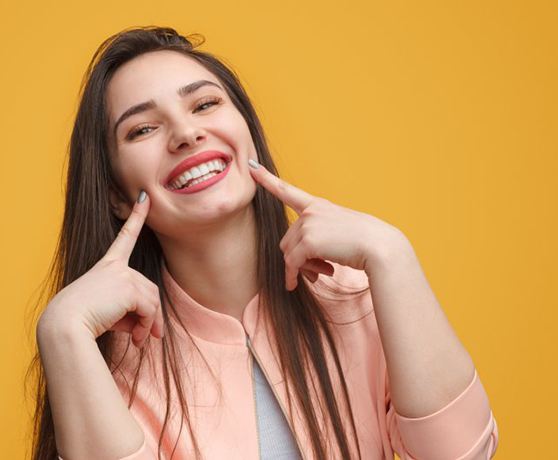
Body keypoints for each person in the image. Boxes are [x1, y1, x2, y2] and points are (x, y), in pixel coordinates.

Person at [28, 26, 499, 459]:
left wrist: (393, 253)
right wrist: (62, 332)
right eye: (143, 129)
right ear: (116, 195)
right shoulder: (109, 363)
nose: (187, 134)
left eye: (205, 105)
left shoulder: (360, 295)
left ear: (248, 134)